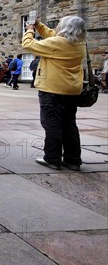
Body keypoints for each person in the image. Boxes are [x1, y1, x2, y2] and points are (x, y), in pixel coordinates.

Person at [22, 16, 86, 171]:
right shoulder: (80, 43)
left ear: (65, 29)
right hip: (71, 90)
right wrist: (39, 25)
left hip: (52, 90)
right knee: (69, 125)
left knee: (52, 124)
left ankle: (52, 159)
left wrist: (30, 29)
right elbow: (52, 35)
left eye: (59, 24)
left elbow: (28, 45)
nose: (57, 26)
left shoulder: (58, 43)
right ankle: (73, 160)